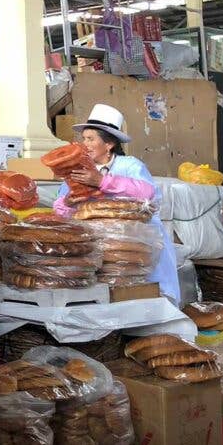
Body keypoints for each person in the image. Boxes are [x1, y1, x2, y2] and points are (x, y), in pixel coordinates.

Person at [54, 103, 180, 302]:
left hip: (136, 242)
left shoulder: (129, 165)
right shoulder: (78, 170)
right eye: (83, 138)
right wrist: (69, 201)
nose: (84, 144)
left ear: (109, 144)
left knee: (144, 293)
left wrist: (101, 182)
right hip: (96, 243)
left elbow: (147, 193)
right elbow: (60, 208)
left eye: (90, 139)